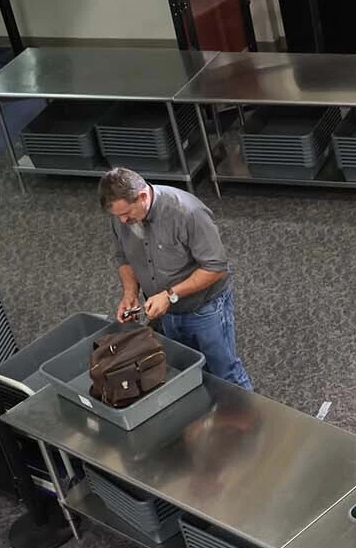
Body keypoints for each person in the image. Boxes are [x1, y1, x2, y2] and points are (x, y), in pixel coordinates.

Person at [98, 167, 252, 389]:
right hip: (165, 310)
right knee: (186, 368)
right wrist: (130, 293)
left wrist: (170, 295)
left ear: (142, 196)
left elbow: (216, 267)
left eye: (126, 214)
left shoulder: (188, 213)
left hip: (204, 308)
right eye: (117, 216)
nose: (122, 221)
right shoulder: (122, 217)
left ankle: (249, 416)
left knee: (224, 372)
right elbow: (124, 257)